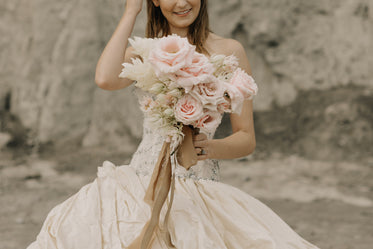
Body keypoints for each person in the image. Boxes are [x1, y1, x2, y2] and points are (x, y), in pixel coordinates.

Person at [27, 0, 320, 248]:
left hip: (200, 187)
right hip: (140, 184)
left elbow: (246, 138)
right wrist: (131, 12)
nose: (182, 3)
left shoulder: (230, 51)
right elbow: (105, 78)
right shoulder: (145, 51)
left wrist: (208, 147)